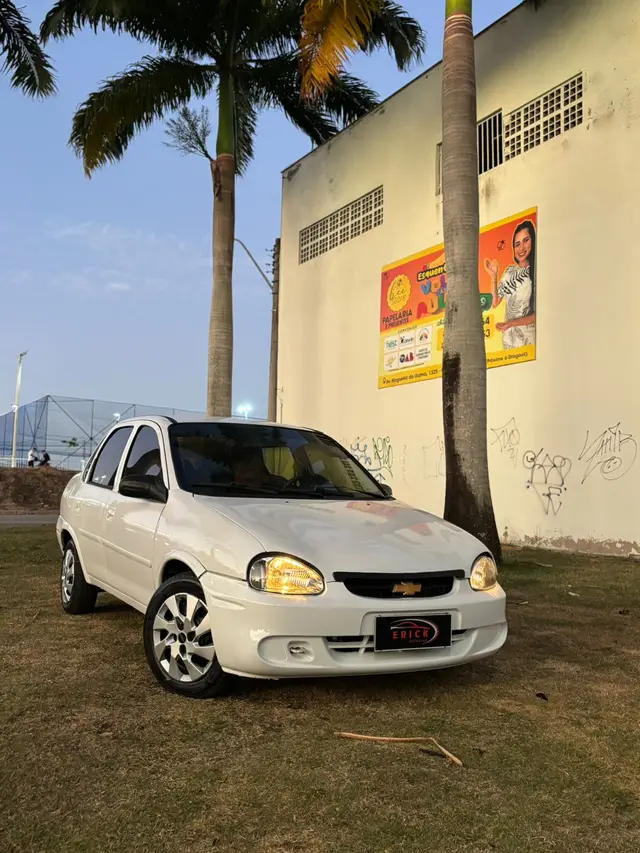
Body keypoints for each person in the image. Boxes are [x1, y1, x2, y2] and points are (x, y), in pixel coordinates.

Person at [484, 220, 536, 350]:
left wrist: (511, 323)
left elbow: (536, 315)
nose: (521, 248)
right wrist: (494, 276)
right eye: (517, 244)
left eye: (526, 240)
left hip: (529, 341)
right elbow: (495, 302)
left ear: (533, 241)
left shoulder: (536, 270)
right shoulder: (509, 271)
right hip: (509, 341)